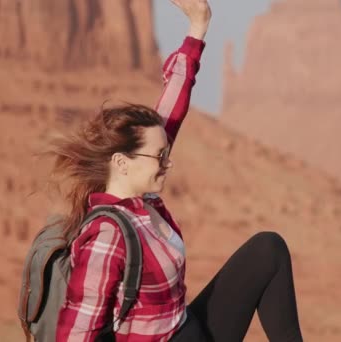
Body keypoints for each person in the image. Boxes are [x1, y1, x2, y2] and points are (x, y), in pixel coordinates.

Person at [52, 0, 304, 340]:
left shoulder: (144, 196)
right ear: (122, 163)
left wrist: (198, 28)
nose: (167, 162)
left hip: (189, 329)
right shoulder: (108, 235)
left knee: (268, 250)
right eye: (159, 157)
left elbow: (171, 109)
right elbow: (75, 334)